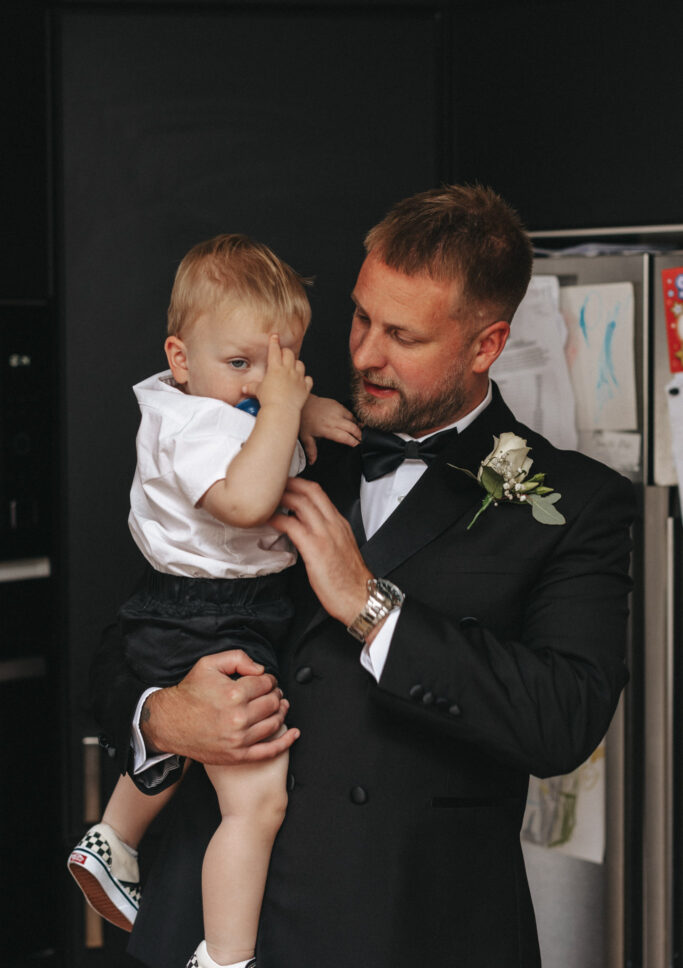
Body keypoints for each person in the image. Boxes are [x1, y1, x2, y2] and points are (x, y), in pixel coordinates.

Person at [91, 185, 634, 968]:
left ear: (485, 345)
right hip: (208, 929)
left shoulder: (576, 503)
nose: (363, 355)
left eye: (402, 336)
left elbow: (561, 721)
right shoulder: (270, 434)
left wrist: (370, 606)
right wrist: (162, 718)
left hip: (409, 929)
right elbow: (127, 636)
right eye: (360, 318)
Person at [68, 233, 360, 968]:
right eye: (239, 364)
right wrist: (291, 406)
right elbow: (248, 499)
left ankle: (112, 841)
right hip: (209, 615)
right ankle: (226, 957)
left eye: (281, 361)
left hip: (205, 610)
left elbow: (261, 403)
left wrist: (305, 404)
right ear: (179, 359)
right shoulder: (194, 425)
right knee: (255, 803)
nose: (261, 382)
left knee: (186, 752)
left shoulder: (223, 400)